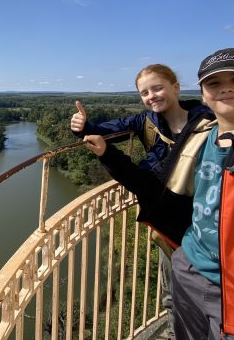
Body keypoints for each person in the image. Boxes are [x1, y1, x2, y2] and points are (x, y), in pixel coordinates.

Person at [82, 48, 234, 340]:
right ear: (203, 94)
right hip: (186, 264)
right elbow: (153, 190)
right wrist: (107, 153)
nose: (226, 88)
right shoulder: (200, 138)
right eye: (214, 83)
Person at [70, 63, 211, 339]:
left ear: (176, 87)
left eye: (157, 88)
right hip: (168, 222)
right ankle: (174, 334)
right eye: (145, 92)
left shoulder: (206, 121)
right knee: (172, 291)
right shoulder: (144, 122)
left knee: (206, 292)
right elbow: (103, 131)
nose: (152, 96)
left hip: (203, 220)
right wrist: (82, 126)